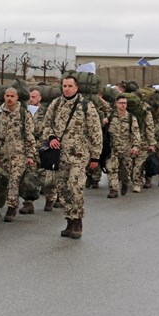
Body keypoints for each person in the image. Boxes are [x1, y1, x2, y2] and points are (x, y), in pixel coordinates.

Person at [41, 75, 103, 239]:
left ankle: (78, 220)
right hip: (60, 156)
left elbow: (95, 131)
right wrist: (51, 137)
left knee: (75, 187)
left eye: (70, 86)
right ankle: (69, 219)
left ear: (76, 88)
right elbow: (46, 125)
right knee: (62, 189)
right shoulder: (56, 104)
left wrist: (95, 156)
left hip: (79, 156)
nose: (67, 89)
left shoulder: (86, 106)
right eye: (64, 86)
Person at [0, 87, 37, 220]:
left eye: (12, 96)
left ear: (17, 98)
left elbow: (29, 136)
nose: (9, 98)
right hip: (3, 153)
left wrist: (30, 155)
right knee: (5, 179)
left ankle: (12, 208)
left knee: (14, 180)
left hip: (19, 153)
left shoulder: (24, 114)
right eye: (7, 96)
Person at [104, 94, 141, 198]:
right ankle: (113, 190)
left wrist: (136, 146)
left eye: (125, 103)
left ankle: (125, 183)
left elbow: (136, 133)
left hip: (126, 149)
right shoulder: (111, 116)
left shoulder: (131, 118)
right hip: (113, 148)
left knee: (125, 171)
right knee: (111, 168)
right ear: (116, 104)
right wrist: (104, 122)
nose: (123, 105)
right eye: (121, 103)